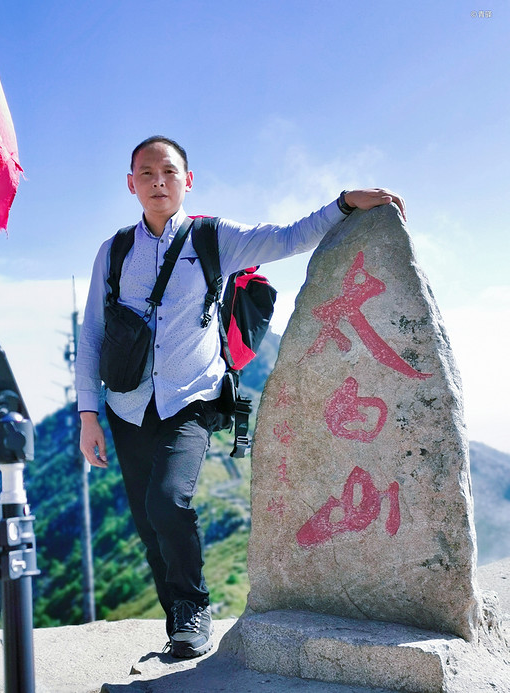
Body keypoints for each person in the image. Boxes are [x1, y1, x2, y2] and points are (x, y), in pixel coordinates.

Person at [76, 135, 406, 659]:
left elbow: (287, 236)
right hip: (127, 403)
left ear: (188, 179)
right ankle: (177, 618)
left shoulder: (214, 238)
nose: (157, 182)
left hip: (193, 397)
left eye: (168, 171)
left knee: (168, 501)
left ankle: (193, 606)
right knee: (146, 520)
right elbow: (92, 332)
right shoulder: (114, 251)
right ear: (131, 182)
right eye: (145, 173)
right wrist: (88, 414)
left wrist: (344, 203)